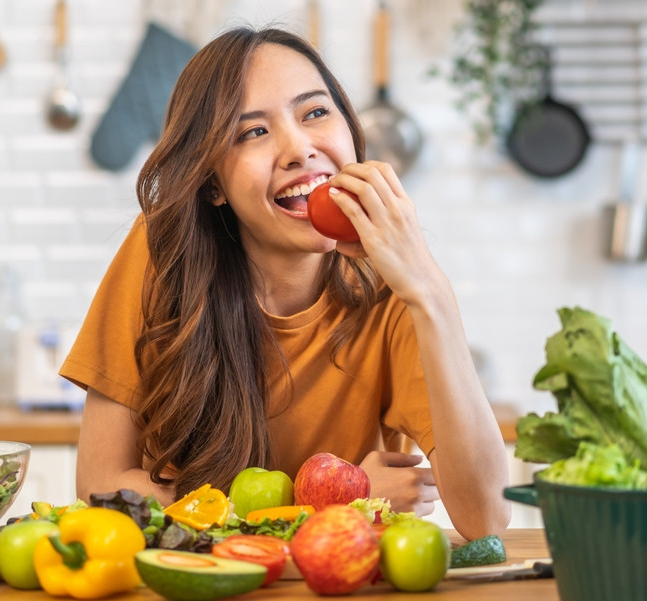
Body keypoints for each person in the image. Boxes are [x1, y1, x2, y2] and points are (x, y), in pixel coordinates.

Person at [60, 26, 509, 540]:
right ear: (213, 186)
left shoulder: (395, 289)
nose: (299, 148)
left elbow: (486, 518)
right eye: (252, 132)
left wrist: (431, 291)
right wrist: (335, 499)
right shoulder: (162, 254)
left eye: (315, 112)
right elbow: (102, 488)